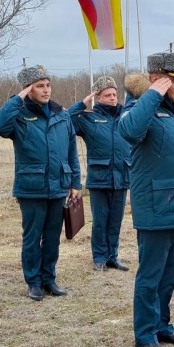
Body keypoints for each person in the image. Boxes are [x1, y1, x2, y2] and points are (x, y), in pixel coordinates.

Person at [118, 52, 174, 347]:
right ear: (156, 79)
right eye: (173, 80)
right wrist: (152, 95)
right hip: (155, 206)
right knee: (151, 275)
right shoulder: (139, 108)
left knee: (169, 274)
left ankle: (162, 324)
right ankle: (145, 334)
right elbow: (127, 132)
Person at [0, 65, 81, 301]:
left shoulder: (62, 114)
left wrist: (75, 182)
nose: (46, 90)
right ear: (28, 89)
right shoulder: (18, 116)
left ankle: (49, 278)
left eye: (48, 85)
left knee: (52, 236)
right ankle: (33, 282)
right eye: (39, 86)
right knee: (32, 237)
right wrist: (17, 99)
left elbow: (72, 151)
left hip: (58, 185)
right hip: (31, 187)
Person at [67, 76, 132, 272]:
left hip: (122, 177)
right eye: (107, 95)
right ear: (98, 97)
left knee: (115, 221)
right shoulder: (88, 119)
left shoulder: (125, 117)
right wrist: (82, 104)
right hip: (99, 179)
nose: (113, 98)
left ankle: (113, 256)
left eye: (114, 94)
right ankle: (99, 258)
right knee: (100, 222)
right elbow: (65, 121)